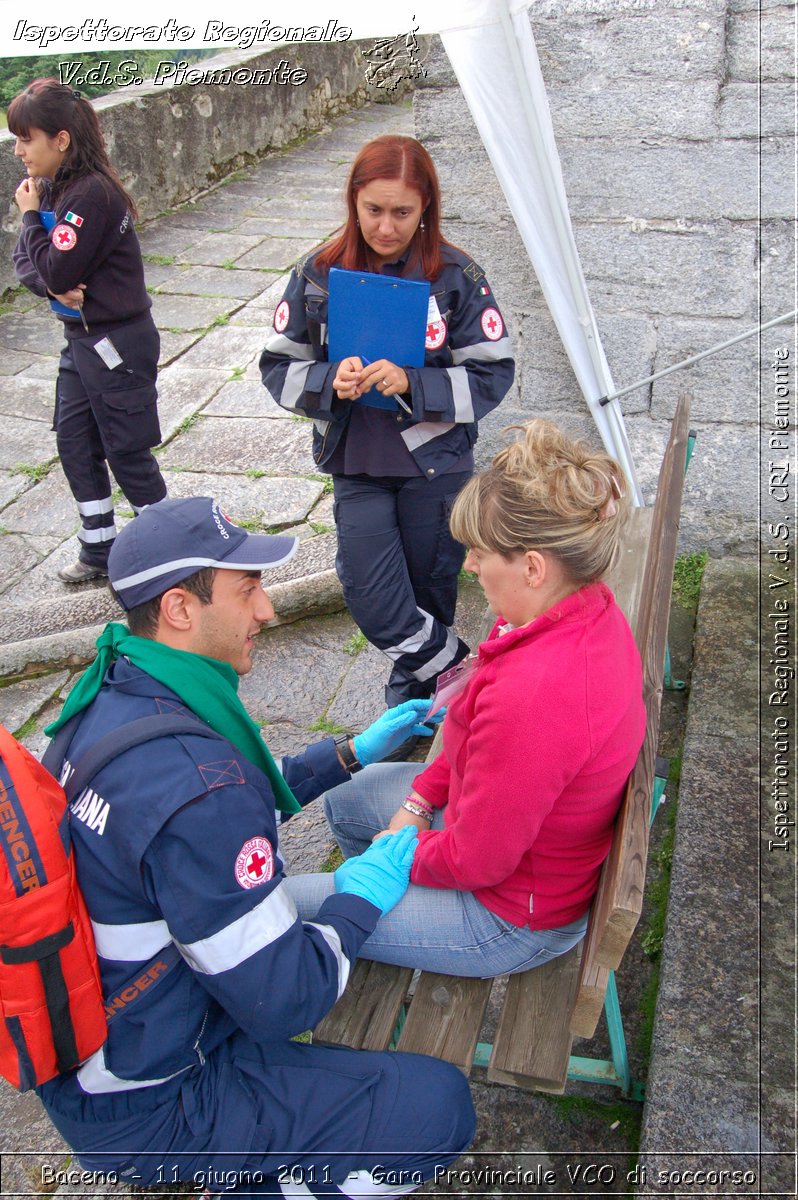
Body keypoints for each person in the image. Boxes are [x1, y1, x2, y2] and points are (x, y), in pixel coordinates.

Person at [39, 497, 475, 1198]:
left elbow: (188, 824)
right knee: (436, 1111)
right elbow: (287, 1001)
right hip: (156, 1102)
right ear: (180, 608)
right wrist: (359, 898)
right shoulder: (199, 786)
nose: (268, 611)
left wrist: (347, 755)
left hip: (99, 1047)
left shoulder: (111, 694)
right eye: (248, 590)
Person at [286, 421, 647, 978]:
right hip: (500, 840)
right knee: (343, 800)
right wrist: (416, 805)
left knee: (286, 911)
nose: (471, 565)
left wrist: (396, 853)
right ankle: (372, 928)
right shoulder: (574, 607)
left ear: (532, 566)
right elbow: (472, 735)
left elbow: (478, 859)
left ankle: (352, 957)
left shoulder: (539, 694)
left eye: (481, 552)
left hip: (508, 915)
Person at [260, 135, 515, 708]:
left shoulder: (456, 276)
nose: (386, 227)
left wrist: (413, 382)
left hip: (436, 465)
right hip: (357, 459)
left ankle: (415, 699)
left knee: (431, 586)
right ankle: (458, 668)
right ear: (353, 201)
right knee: (368, 586)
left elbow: (493, 373)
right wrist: (332, 381)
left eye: (403, 212)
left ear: (427, 207)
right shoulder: (320, 273)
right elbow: (278, 366)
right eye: (373, 209)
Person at [9, 78, 167, 584]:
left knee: (125, 447)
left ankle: (171, 544)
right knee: (75, 439)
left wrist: (32, 221)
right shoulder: (54, 187)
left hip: (116, 341)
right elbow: (28, 264)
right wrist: (53, 286)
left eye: (25, 139)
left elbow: (52, 265)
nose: (18, 151)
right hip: (81, 339)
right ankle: (99, 546)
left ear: (60, 139)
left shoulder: (89, 196)